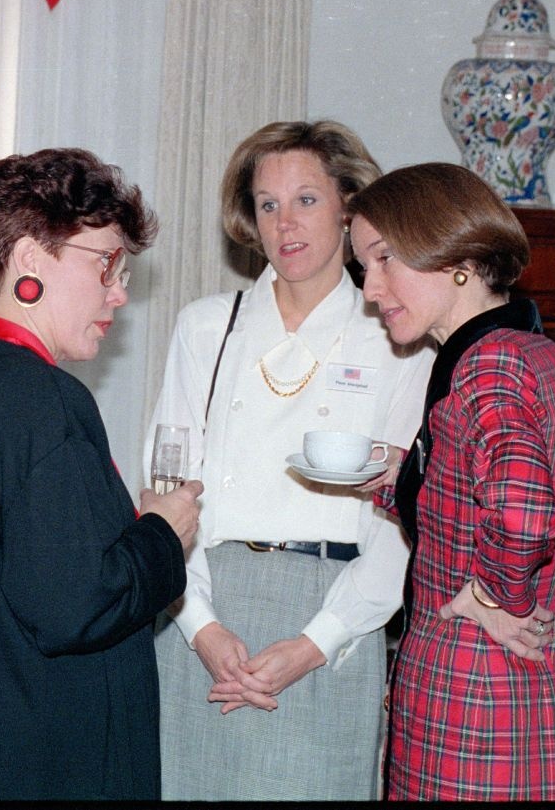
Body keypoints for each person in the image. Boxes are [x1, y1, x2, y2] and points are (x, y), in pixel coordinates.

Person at [0, 148, 202, 801]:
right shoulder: (41, 399)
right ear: (29, 258)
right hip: (34, 762)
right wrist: (164, 533)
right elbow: (73, 606)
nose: (118, 292)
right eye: (105, 263)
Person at [146, 120, 435, 800]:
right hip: (203, 611)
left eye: (306, 198)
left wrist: (313, 643)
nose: (285, 222)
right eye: (267, 203)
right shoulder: (207, 326)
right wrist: (202, 627)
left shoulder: (396, 337)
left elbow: (401, 527)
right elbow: (166, 490)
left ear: (348, 207)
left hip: (334, 622)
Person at [346, 161, 555, 801]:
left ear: (454, 257)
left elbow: (524, 516)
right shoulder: (536, 352)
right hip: (525, 685)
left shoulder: (487, 366)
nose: (371, 287)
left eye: (384, 259)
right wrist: (396, 476)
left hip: (469, 698)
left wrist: (492, 598)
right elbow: (492, 491)